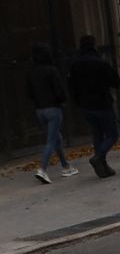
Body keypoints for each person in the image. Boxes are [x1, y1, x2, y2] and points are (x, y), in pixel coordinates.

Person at [68, 35, 120, 178]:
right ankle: (99, 157)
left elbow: (72, 87)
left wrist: (79, 102)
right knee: (112, 134)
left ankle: (102, 166)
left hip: (86, 106)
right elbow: (116, 81)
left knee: (97, 134)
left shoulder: (75, 65)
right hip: (103, 103)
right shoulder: (100, 63)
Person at [29, 43, 77, 184]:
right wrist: (62, 101)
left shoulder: (31, 73)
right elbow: (59, 91)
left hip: (39, 110)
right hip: (53, 109)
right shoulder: (52, 70)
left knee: (57, 139)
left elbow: (29, 93)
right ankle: (42, 170)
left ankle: (66, 166)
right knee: (51, 141)